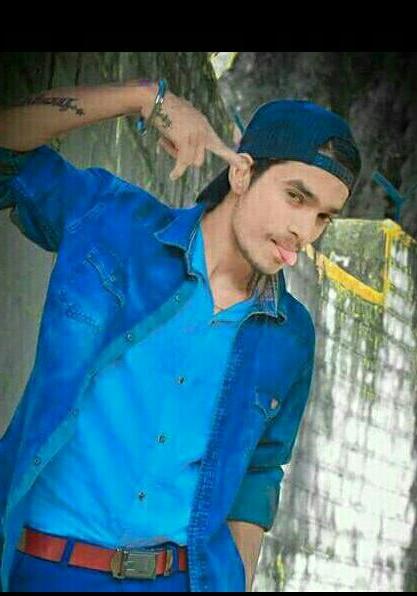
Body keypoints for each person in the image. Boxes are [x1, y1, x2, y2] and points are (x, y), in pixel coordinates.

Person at [0, 77, 361, 593]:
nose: (304, 230)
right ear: (242, 172)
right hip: (41, 568)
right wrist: (143, 99)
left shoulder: (291, 335)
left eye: (323, 215)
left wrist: (236, 580)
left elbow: (259, 471)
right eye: (295, 197)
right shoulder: (114, 224)